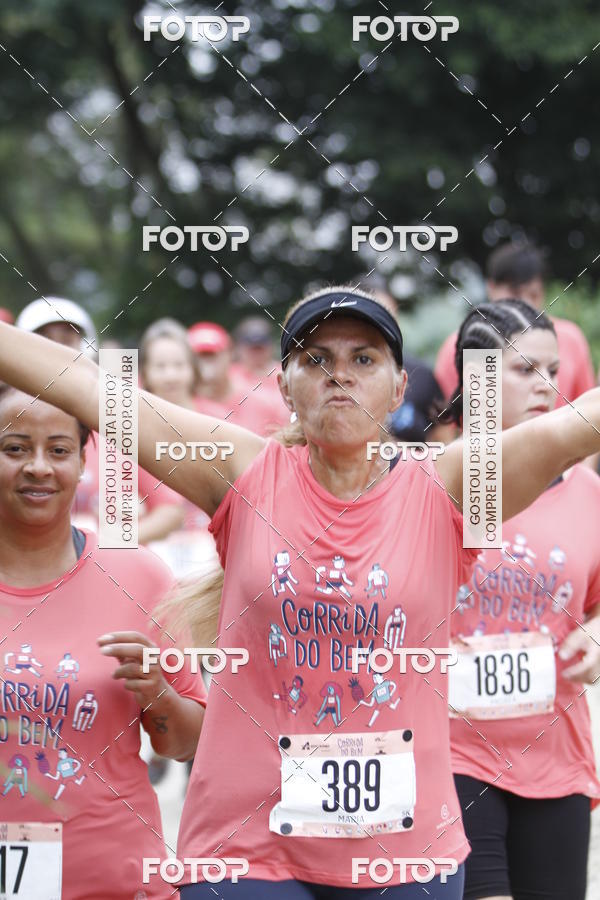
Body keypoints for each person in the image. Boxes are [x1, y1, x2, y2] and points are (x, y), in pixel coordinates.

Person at [2, 285, 600, 897]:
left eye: (363, 359)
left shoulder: (449, 487)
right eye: (317, 360)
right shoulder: (241, 471)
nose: (339, 375)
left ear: (399, 388)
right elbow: (93, 390)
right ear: (284, 387)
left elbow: (574, 430)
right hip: (247, 848)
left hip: (403, 853)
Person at [0, 382, 205, 899]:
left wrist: (156, 689)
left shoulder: (139, 575)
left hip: (118, 883)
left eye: (59, 450)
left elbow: (185, 743)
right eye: (15, 448)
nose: (39, 467)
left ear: (84, 460)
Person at [443, 299, 600, 900]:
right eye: (524, 370)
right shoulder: (433, 481)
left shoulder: (588, 494)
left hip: (555, 754)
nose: (547, 387)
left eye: (554, 373)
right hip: (451, 753)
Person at [434, 243, 595, 407]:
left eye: (553, 371)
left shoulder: (570, 339)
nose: (524, 303)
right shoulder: (463, 345)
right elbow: (457, 426)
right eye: (524, 370)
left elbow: (585, 412)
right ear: (491, 288)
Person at [189, 320, 287, 434]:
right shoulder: (179, 403)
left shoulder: (260, 397)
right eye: (198, 357)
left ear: (229, 354)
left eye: (211, 356)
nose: (206, 365)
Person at [232, 315, 290, 420]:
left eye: (260, 348)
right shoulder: (229, 376)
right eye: (252, 349)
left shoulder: (286, 373)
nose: (256, 354)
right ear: (239, 348)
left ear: (270, 346)